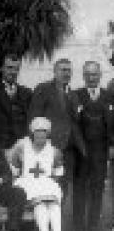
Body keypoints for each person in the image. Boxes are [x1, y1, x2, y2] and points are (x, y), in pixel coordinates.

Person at [29, 58, 83, 209]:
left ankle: (57, 224)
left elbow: (75, 121)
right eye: (63, 70)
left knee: (63, 188)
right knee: (46, 186)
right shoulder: (43, 89)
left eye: (69, 70)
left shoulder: (73, 94)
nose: (66, 73)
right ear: (55, 71)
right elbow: (34, 118)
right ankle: (42, 224)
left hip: (69, 150)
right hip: (49, 147)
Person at [70, 61, 113, 231]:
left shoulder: (109, 96)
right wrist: (80, 148)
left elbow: (112, 125)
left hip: (101, 150)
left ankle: (93, 225)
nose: (91, 78)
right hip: (81, 150)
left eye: (94, 74)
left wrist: (111, 145)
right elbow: (73, 124)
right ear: (83, 76)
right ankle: (78, 224)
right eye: (87, 74)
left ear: (100, 75)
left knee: (97, 187)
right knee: (79, 187)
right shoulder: (76, 95)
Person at [9, 117, 65, 231]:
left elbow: (58, 172)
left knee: (53, 205)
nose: (40, 140)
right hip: (28, 182)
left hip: (46, 182)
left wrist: (51, 184)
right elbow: (14, 165)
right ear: (32, 134)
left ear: (48, 135)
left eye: (43, 137)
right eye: (37, 137)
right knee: (40, 205)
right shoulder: (21, 146)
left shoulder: (54, 151)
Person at [0, 56, 32, 151]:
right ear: (2, 69)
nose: (13, 72)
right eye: (9, 68)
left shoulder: (27, 93)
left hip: (22, 146)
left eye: (16, 69)